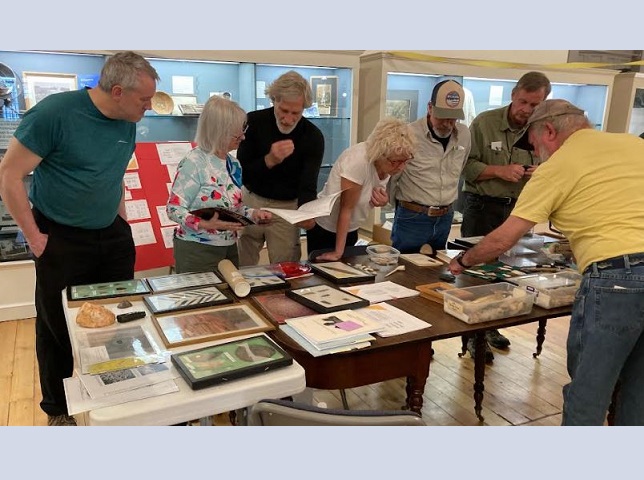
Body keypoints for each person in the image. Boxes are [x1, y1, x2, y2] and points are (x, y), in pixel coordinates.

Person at [448, 98, 644, 426]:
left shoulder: (558, 166)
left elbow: (503, 239)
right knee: (638, 391)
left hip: (615, 281)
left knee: (589, 391)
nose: (537, 153)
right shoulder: (631, 144)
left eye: (536, 144)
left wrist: (462, 261)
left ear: (549, 130)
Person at [0, 51, 159, 426]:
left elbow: (112, 175)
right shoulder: (54, 114)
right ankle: (59, 410)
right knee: (57, 326)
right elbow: (8, 175)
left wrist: (122, 224)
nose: (149, 107)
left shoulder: (127, 120)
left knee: (119, 318)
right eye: (144, 99)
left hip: (111, 235)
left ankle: (113, 392)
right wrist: (36, 239)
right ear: (117, 91)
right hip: (60, 236)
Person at [460, 71, 551, 359]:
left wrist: (542, 172)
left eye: (535, 105)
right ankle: (474, 334)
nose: (527, 110)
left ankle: (492, 325)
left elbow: (555, 164)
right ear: (513, 95)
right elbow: (466, 166)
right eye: (523, 102)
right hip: (483, 207)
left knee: (508, 273)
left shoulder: (543, 130)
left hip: (519, 211)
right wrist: (499, 171)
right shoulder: (485, 123)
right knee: (477, 272)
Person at [166, 96, 272, 272]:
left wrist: (254, 214)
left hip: (229, 246)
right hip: (197, 249)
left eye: (243, 130)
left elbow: (234, 209)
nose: (243, 137)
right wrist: (204, 224)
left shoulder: (234, 163)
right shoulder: (194, 162)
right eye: (237, 133)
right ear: (219, 131)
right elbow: (174, 209)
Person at [236, 70, 324, 266]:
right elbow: (240, 173)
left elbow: (308, 184)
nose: (288, 119)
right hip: (251, 201)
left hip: (287, 209)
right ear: (273, 100)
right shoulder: (254, 122)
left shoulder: (312, 136)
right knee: (241, 265)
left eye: (296, 113)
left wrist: (307, 213)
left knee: (286, 269)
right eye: (283, 110)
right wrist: (269, 160)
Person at [308, 118, 416, 261]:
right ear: (380, 153)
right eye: (396, 161)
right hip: (326, 227)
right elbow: (345, 208)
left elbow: (371, 192)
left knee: (349, 274)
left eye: (405, 161)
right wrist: (338, 253)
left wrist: (383, 201)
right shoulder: (358, 161)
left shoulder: (389, 162)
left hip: (350, 228)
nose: (401, 167)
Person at [390, 79, 471, 254]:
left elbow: (462, 167)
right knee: (404, 267)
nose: (447, 123)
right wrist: (400, 208)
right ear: (430, 107)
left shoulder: (464, 134)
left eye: (453, 118)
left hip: (446, 216)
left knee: (437, 267)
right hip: (412, 216)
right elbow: (392, 176)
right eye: (442, 117)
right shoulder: (408, 134)